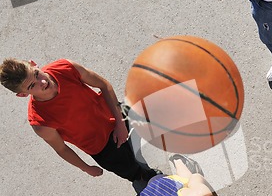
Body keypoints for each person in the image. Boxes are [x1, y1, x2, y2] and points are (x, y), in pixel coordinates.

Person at [0, 58, 159, 182]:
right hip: (102, 148)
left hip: (114, 114)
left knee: (152, 127)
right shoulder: (40, 122)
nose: (42, 82)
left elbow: (104, 85)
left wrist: (119, 123)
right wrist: (86, 168)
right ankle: (146, 177)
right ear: (22, 95)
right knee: (132, 169)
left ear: (33, 63)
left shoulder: (65, 68)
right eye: (31, 86)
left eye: (36, 74)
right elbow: (62, 149)